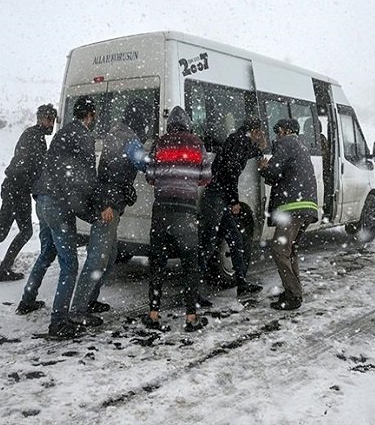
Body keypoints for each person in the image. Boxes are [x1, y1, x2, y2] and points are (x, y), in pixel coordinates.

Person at [16, 96, 103, 339]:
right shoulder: (84, 137)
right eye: (94, 114)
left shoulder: (62, 132)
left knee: (47, 252)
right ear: (88, 115)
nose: (95, 119)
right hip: (57, 204)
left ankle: (27, 300)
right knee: (70, 265)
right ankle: (58, 323)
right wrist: (95, 210)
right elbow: (87, 177)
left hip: (41, 199)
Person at [69, 99, 149, 323]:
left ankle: (90, 300)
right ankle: (78, 310)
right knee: (97, 258)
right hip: (108, 205)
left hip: (108, 199)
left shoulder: (115, 132)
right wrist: (161, 161)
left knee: (110, 255)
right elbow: (141, 162)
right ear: (140, 120)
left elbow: (112, 166)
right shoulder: (129, 138)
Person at [0, 104, 58, 289]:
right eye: (48, 119)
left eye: (53, 120)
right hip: (15, 189)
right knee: (5, 231)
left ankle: (2, 270)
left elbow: (35, 166)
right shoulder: (33, 136)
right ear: (40, 118)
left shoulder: (36, 136)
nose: (51, 124)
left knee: (18, 231)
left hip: (18, 189)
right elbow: (32, 165)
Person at [144, 106, 212, 332]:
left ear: (169, 125)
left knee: (157, 263)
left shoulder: (159, 143)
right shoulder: (197, 144)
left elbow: (150, 177)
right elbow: (205, 178)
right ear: (187, 124)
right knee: (189, 263)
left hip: (161, 209)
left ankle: (153, 314)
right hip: (186, 210)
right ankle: (191, 317)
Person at [198, 116, 266, 298]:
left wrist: (259, 151)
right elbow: (230, 172)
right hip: (216, 197)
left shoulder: (239, 140)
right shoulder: (239, 141)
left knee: (235, 239)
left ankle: (242, 282)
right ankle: (192, 290)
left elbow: (247, 153)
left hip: (220, 196)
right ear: (255, 131)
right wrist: (234, 201)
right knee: (208, 243)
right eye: (259, 133)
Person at [258, 118, 318, 311]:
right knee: (290, 250)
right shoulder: (301, 145)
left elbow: (274, 173)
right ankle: (293, 291)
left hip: (292, 208)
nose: (277, 135)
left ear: (284, 131)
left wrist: (263, 168)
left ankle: (293, 295)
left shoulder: (286, 143)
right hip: (307, 207)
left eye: (278, 132)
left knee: (279, 250)